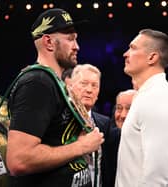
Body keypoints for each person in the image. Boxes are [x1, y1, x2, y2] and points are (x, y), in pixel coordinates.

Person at [6, 8, 104, 187]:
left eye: (76, 39)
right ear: (49, 42)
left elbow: (57, 138)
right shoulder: (38, 83)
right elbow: (18, 160)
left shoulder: (53, 82)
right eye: (70, 39)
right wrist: (81, 146)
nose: (77, 46)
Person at [115, 28, 168, 186]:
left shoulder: (157, 97)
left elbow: (157, 175)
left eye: (133, 48)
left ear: (152, 57)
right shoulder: (148, 94)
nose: (125, 54)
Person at [68, 64, 119, 187]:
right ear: (70, 87)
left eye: (94, 85)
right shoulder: (58, 120)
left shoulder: (105, 123)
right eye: (84, 84)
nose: (89, 90)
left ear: (98, 93)